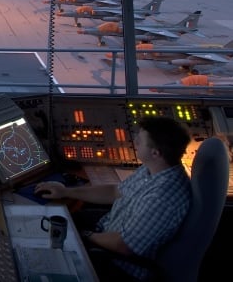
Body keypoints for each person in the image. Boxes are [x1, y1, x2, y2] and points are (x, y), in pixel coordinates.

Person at [34, 116, 191, 281]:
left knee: (44, 260)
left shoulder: (162, 196)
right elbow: (115, 192)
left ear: (155, 153)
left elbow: (124, 245)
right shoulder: (154, 169)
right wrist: (66, 192)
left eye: (140, 140)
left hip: (117, 264)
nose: (135, 141)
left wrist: (84, 235)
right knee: (52, 221)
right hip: (105, 233)